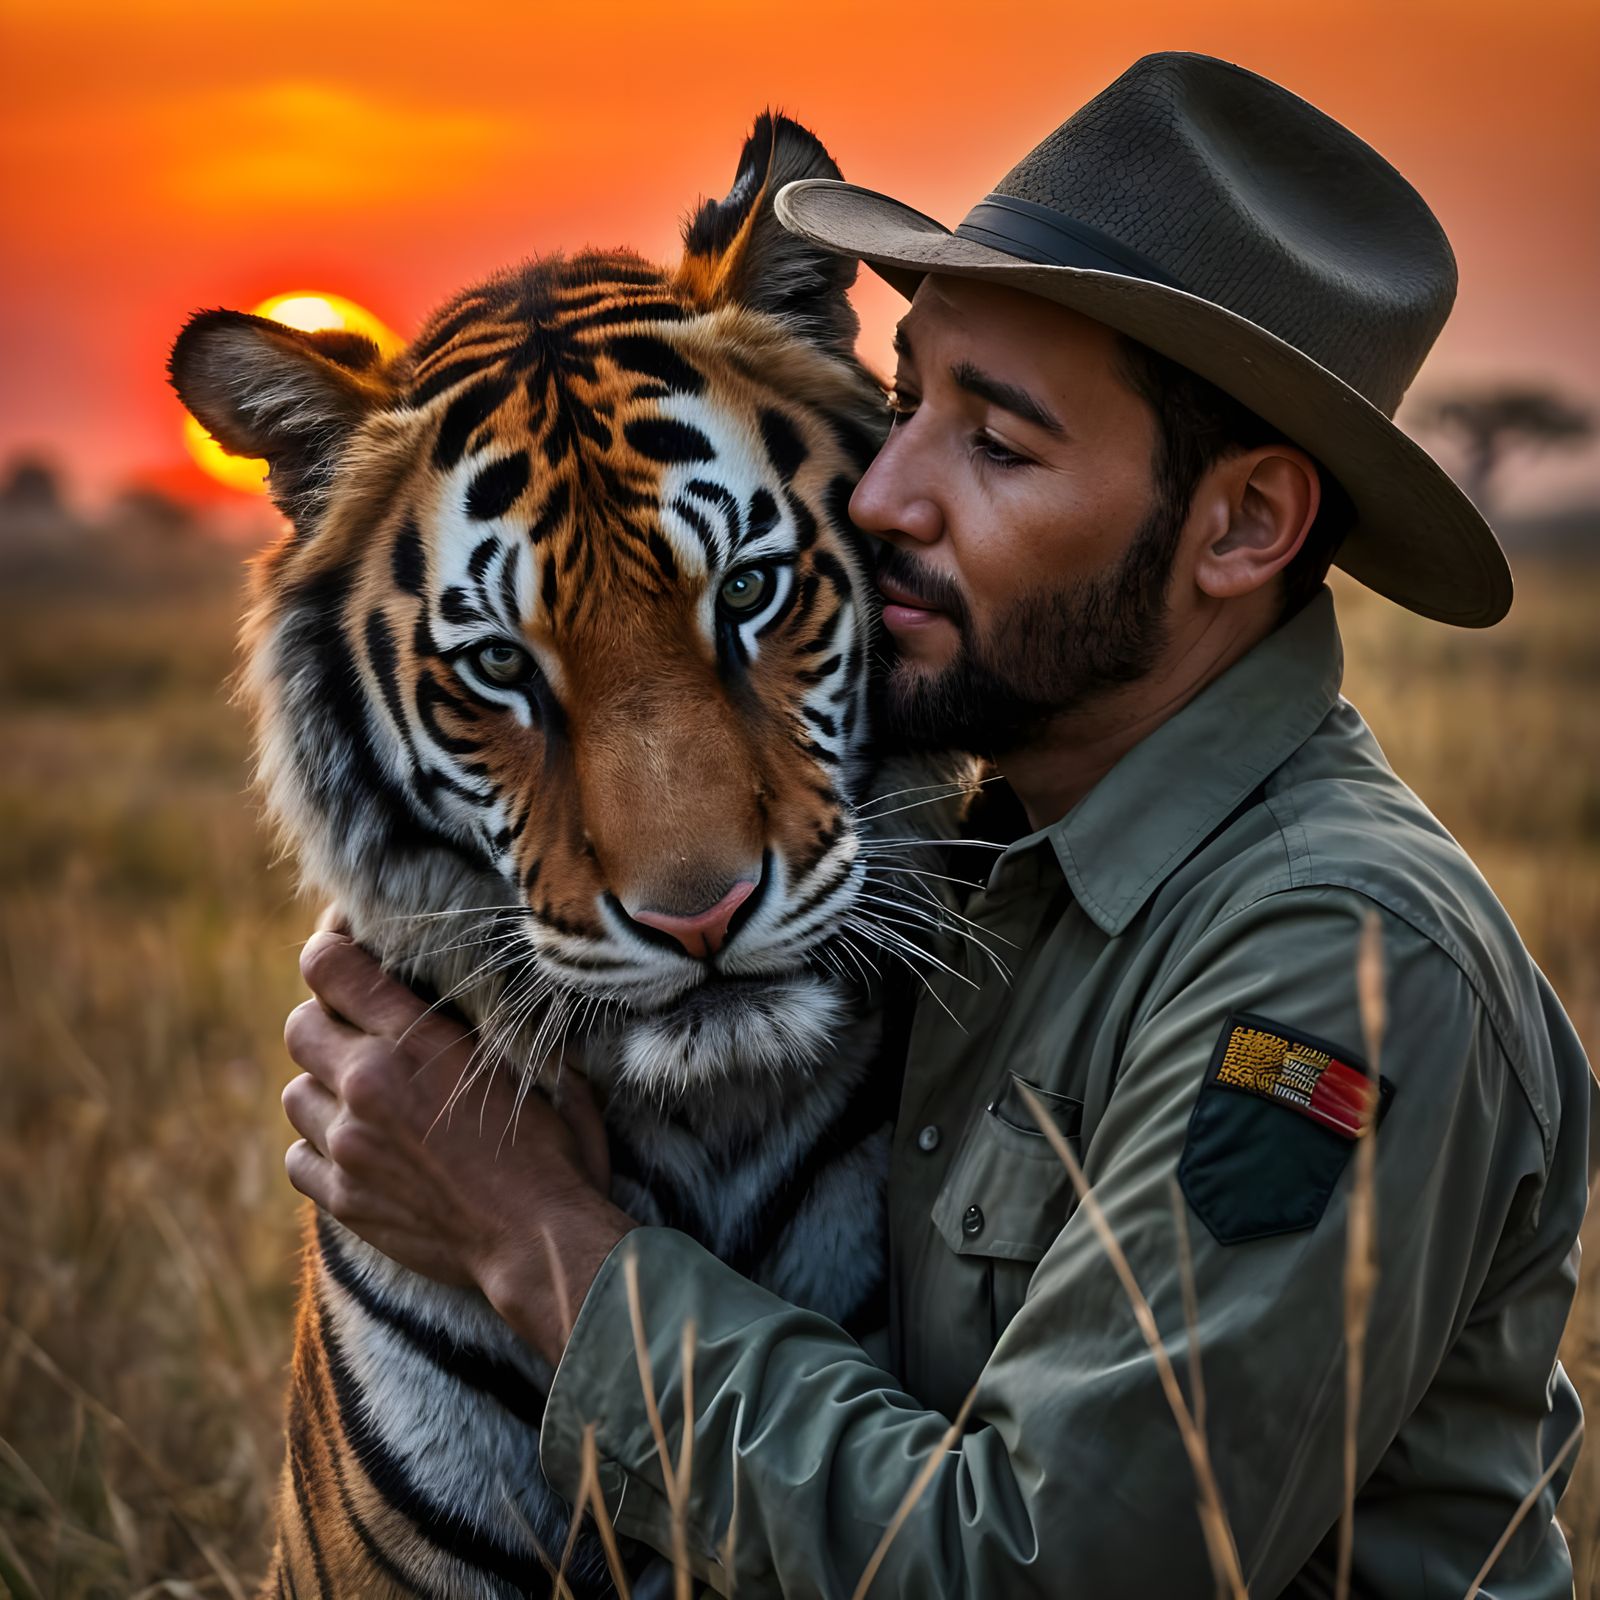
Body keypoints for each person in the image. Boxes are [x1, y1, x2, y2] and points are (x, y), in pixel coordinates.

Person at [281, 53, 1597, 1594]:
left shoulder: (1341, 965)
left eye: (998, 444)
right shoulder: (988, 870)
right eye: (907, 400)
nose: (880, 494)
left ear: (1242, 526)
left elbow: (1044, 1571)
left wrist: (536, 1243)